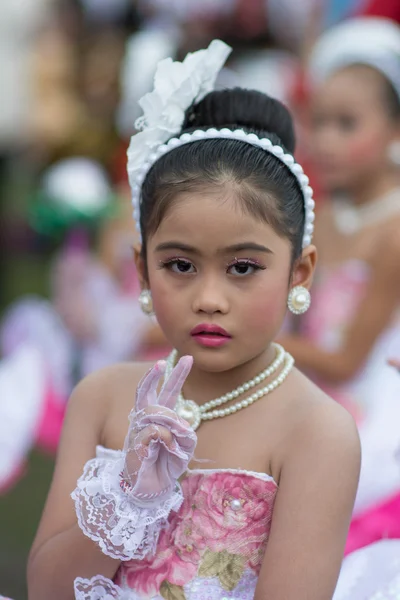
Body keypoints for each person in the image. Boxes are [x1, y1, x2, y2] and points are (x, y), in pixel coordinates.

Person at [23, 40, 399, 600]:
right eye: (179, 265)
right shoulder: (102, 398)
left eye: (243, 267)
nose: (210, 298)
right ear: (143, 271)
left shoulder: (317, 432)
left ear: (299, 273)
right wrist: (127, 502)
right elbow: (46, 589)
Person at [279, 17, 400, 554]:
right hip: (305, 385)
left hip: (366, 405)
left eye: (347, 124)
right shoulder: (318, 214)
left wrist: (252, 342)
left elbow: (349, 362)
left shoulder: (393, 233)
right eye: (318, 122)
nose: (325, 141)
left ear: (395, 131)